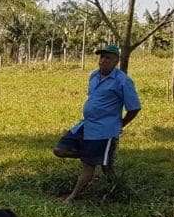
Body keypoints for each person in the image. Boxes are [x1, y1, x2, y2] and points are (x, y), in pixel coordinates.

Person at [53, 44, 141, 203]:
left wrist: (121, 124)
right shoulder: (93, 76)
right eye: (102, 57)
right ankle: (93, 156)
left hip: (104, 130)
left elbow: (134, 108)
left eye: (108, 57)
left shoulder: (123, 81)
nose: (103, 60)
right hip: (85, 125)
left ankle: (73, 196)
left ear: (116, 61)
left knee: (101, 169)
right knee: (60, 149)